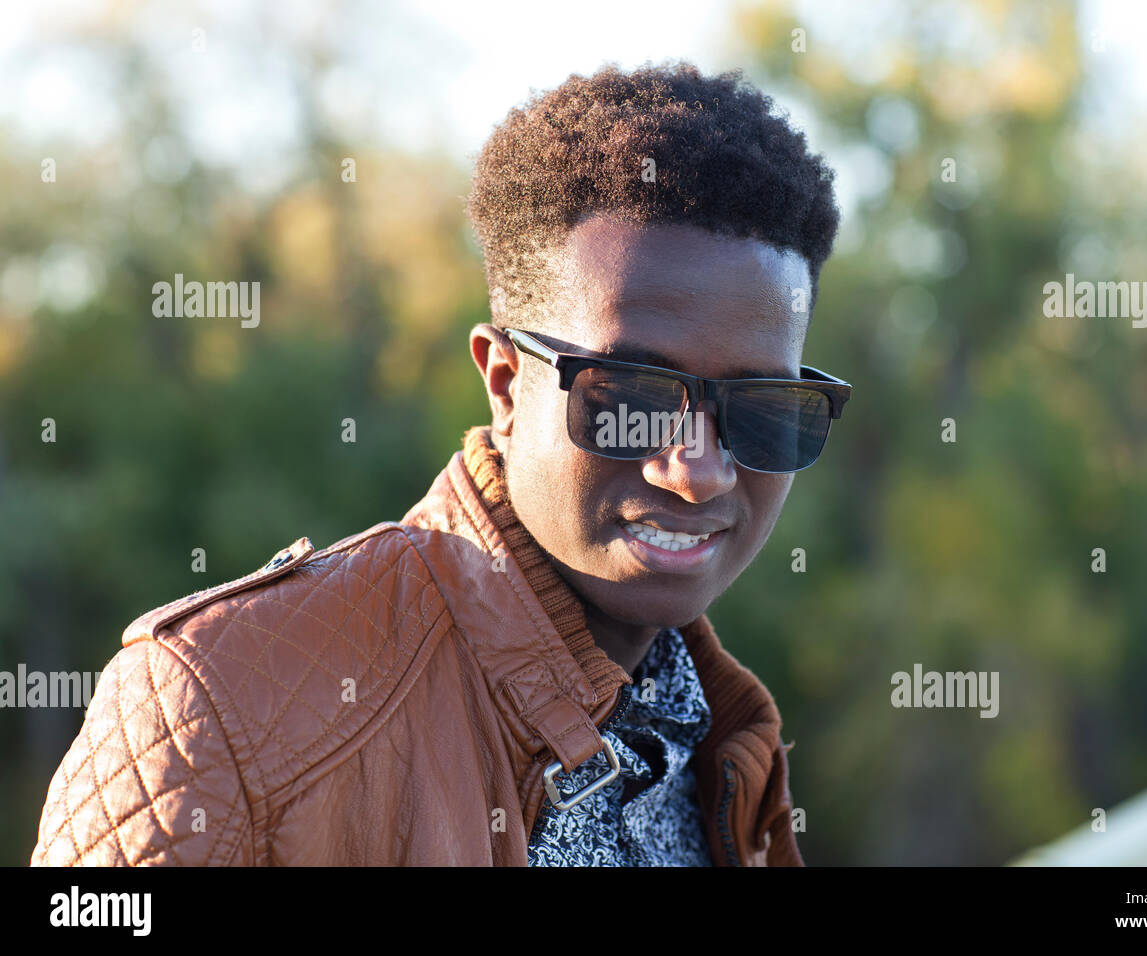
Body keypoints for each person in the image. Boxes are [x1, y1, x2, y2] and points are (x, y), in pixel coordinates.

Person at [30, 59, 848, 867]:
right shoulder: (221, 706)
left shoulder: (726, 744)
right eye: (630, 396)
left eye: (762, 410)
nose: (697, 471)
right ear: (504, 384)